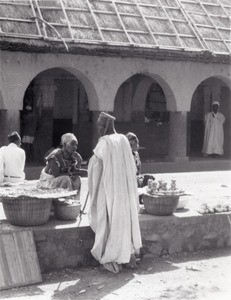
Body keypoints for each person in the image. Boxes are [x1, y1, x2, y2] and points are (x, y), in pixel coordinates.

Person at [88, 112, 142, 274]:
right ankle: (127, 255)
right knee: (124, 221)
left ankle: (113, 255)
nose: (98, 129)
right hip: (124, 190)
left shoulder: (104, 142)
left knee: (109, 221)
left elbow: (96, 167)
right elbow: (132, 167)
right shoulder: (124, 139)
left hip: (110, 188)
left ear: (105, 126)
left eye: (99, 126)